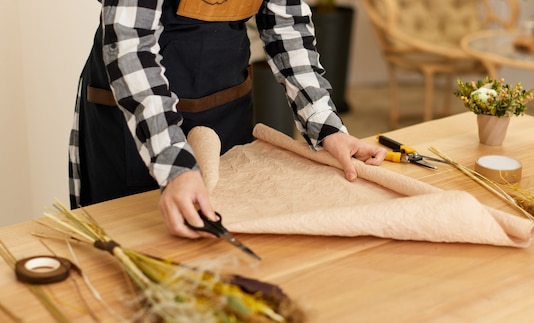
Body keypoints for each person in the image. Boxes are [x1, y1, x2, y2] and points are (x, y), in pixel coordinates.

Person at [69, 0, 387, 238]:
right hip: (138, 123)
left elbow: (287, 29)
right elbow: (129, 47)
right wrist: (174, 164)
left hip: (227, 108)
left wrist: (325, 124)